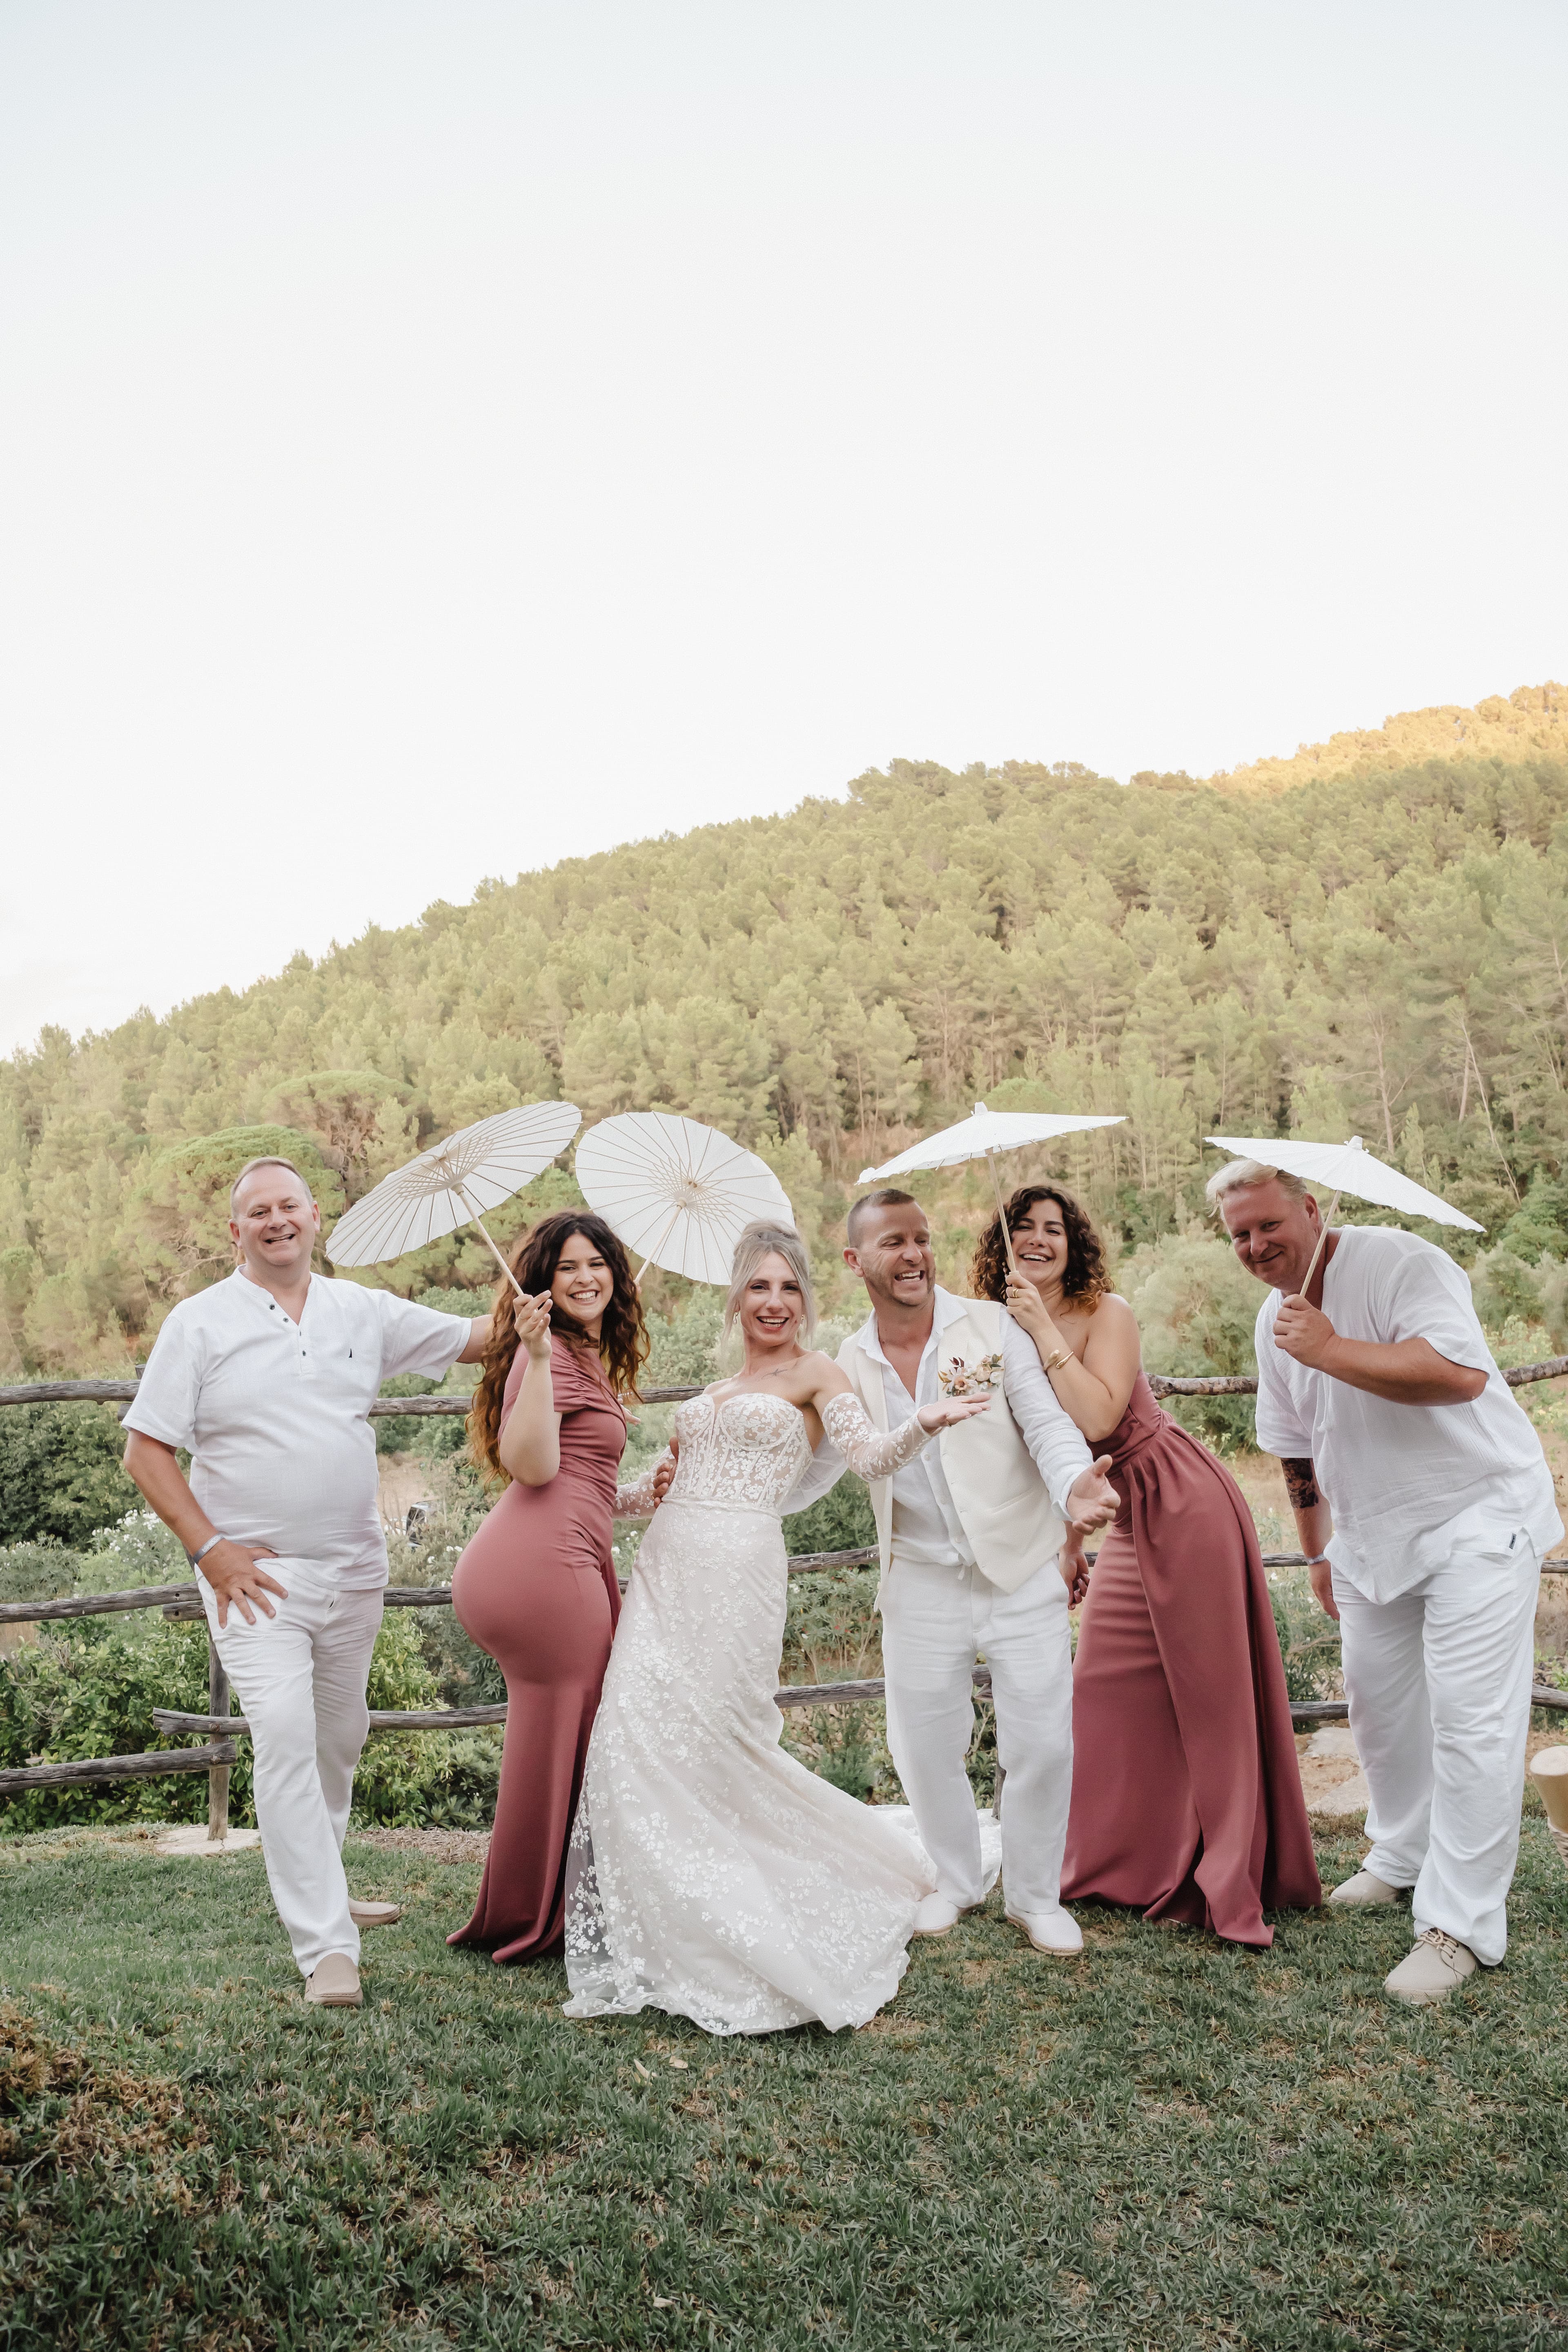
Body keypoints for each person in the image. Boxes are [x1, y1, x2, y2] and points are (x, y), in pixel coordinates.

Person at [561, 1222, 991, 2036]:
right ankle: (661, 1911)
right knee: (631, 1735)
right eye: (759, 1285)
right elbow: (648, 1496)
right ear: (736, 1296)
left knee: (720, 1742)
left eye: (789, 1287)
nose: (774, 1301)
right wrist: (586, 1486)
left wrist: (925, 1422)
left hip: (740, 1572)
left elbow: (868, 1457)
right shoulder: (714, 1391)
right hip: (664, 1569)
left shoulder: (818, 1373)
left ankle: (742, 1907)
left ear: (807, 1299)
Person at [123, 1156, 490, 2008]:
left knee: (338, 1736)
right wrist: (211, 1550)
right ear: (236, 1231)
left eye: (289, 1205)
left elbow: (476, 1337)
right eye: (259, 1211)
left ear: (316, 1215)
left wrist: (555, 1293)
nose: (277, 1220)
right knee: (287, 1735)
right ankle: (327, 1946)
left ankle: (324, 1879)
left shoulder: (361, 1309)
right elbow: (145, 1452)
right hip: (255, 1582)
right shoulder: (199, 1322)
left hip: (356, 1571)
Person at [1214, 1156, 1563, 2005]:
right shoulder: (1274, 1319)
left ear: (1312, 1208)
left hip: (1477, 1516)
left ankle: (1461, 1927)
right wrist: (1318, 1552)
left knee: (1472, 1722)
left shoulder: (1402, 1262)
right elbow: (1295, 1449)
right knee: (1379, 1708)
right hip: (1370, 1538)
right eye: (1240, 1235)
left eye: (1269, 1224)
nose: (1256, 1246)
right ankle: (1402, 1854)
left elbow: (1459, 1374)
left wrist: (1332, 1348)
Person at [974, 1185, 1319, 1948]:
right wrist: (1071, 1546)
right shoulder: (996, 1333)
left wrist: (1042, 1327)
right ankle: (1115, 1862)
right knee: (1100, 1687)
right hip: (1121, 1515)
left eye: (1054, 1229)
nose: (1038, 1239)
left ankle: (1227, 1868)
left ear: (1074, 1244)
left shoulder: (1108, 1312)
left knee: (1210, 1694)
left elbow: (1100, 1416)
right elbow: (1044, 1454)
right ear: (1002, 1242)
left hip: (1182, 1500)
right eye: (1024, 1227)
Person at [834, 1190, 1121, 1957]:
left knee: (1043, 1742)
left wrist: (1074, 1486)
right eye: (894, 1242)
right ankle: (957, 1880)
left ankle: (1034, 1896)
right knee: (925, 1744)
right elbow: (836, 1460)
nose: (914, 1255)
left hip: (1019, 1567)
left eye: (922, 1238)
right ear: (856, 1260)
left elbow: (1046, 1423)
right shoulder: (847, 1362)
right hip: (920, 1577)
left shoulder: (991, 1327)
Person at [448, 1211, 653, 1964]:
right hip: (541, 1570)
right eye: (568, 1266)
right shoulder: (552, 1355)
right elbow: (532, 1467)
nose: (585, 1277)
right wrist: (535, 1355)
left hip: (550, 1557)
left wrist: (643, 1493)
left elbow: (581, 1482)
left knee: (563, 1728)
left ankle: (540, 1902)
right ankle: (543, 1914)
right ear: (543, 1281)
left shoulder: (582, 1355)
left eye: (597, 1263)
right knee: (572, 1724)